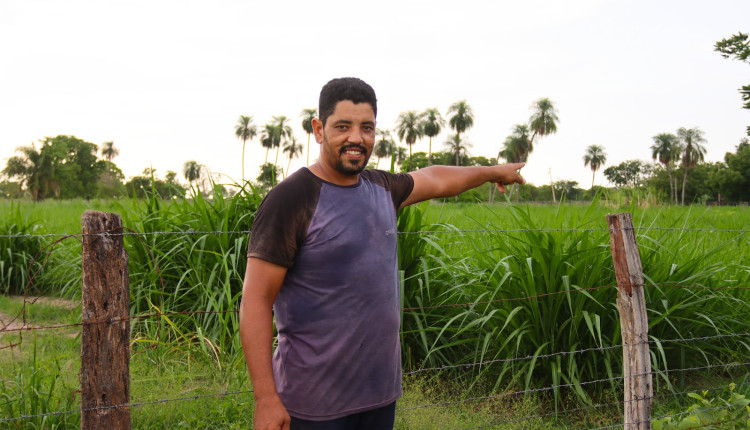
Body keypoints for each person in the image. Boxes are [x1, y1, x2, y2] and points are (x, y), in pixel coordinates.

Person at [240, 77, 525, 430]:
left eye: (367, 127)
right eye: (342, 127)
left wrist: (491, 171)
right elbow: (255, 300)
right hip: (312, 404)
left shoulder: (382, 189)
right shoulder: (293, 198)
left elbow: (435, 178)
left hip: (378, 398)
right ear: (318, 129)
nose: (356, 138)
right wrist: (266, 399)